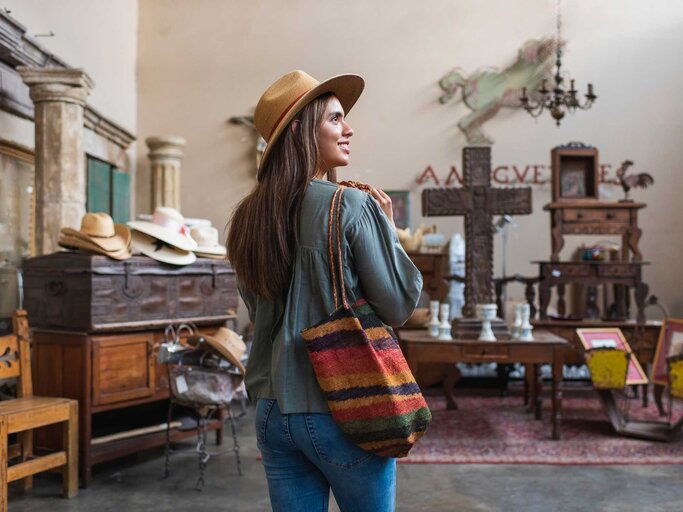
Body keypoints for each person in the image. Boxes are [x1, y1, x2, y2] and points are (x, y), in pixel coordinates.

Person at [226, 70, 422, 512]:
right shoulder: (350, 204)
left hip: (272, 412)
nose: (349, 128)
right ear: (299, 130)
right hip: (343, 405)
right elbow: (398, 304)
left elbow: (258, 305)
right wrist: (388, 230)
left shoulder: (248, 217)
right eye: (335, 119)